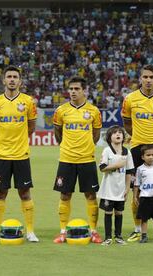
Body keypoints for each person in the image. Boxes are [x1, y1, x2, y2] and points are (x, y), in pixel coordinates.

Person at [121, 64, 153, 243]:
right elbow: (127, 123)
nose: (148, 80)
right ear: (140, 79)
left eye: (152, 77)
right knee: (136, 189)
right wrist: (138, 136)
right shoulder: (130, 99)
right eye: (145, 77)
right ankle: (137, 229)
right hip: (137, 147)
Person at [0, 65, 39, 242]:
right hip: (2, 155)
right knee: (0, 193)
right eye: (8, 76)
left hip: (21, 155)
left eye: (15, 77)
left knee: (25, 193)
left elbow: (31, 127)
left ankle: (30, 231)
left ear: (20, 81)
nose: (11, 79)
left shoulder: (28, 102)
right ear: (3, 80)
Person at [52, 76, 103, 244]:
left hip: (87, 159)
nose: (73, 92)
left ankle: (94, 230)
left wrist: (87, 146)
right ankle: (62, 231)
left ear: (84, 91)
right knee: (65, 194)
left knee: (90, 194)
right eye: (71, 89)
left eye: (77, 89)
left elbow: (95, 135)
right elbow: (58, 131)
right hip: (66, 159)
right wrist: (66, 146)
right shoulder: (61, 111)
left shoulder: (94, 111)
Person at [98, 125, 134, 246]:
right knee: (108, 212)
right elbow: (102, 168)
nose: (118, 134)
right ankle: (108, 238)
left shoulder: (126, 152)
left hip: (121, 189)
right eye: (115, 133)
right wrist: (116, 165)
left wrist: (127, 188)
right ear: (109, 137)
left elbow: (129, 171)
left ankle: (118, 237)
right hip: (108, 189)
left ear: (123, 136)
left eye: (120, 132)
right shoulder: (107, 151)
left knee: (119, 212)